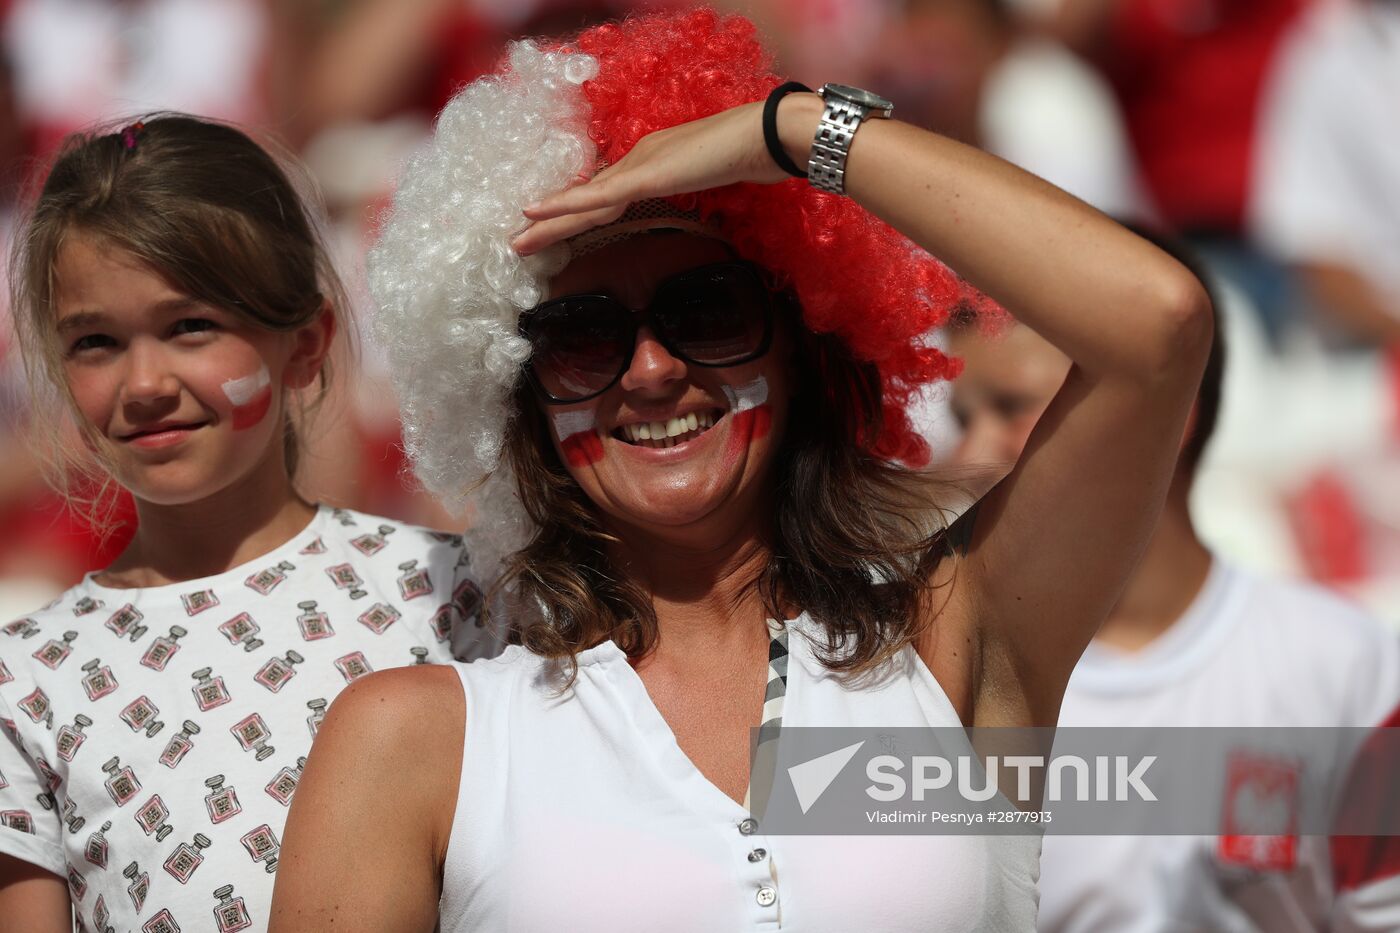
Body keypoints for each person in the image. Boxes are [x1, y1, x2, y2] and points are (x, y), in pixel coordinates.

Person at [269, 9, 1211, 931]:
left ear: (802, 353)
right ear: (524, 405)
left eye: (712, 311)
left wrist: (792, 130)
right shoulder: (417, 740)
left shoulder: (954, 643)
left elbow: (1159, 323)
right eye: (581, 337)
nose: (650, 371)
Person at [0, 115, 496, 932]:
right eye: (95, 342)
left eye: (190, 326)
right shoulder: (26, 679)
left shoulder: (456, 592)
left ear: (304, 345)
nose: (145, 382)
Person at [946, 231, 1400, 931]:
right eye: (961, 417)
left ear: (1164, 416)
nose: (971, 454)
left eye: (1011, 408)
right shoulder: (912, 678)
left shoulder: (1353, 668)